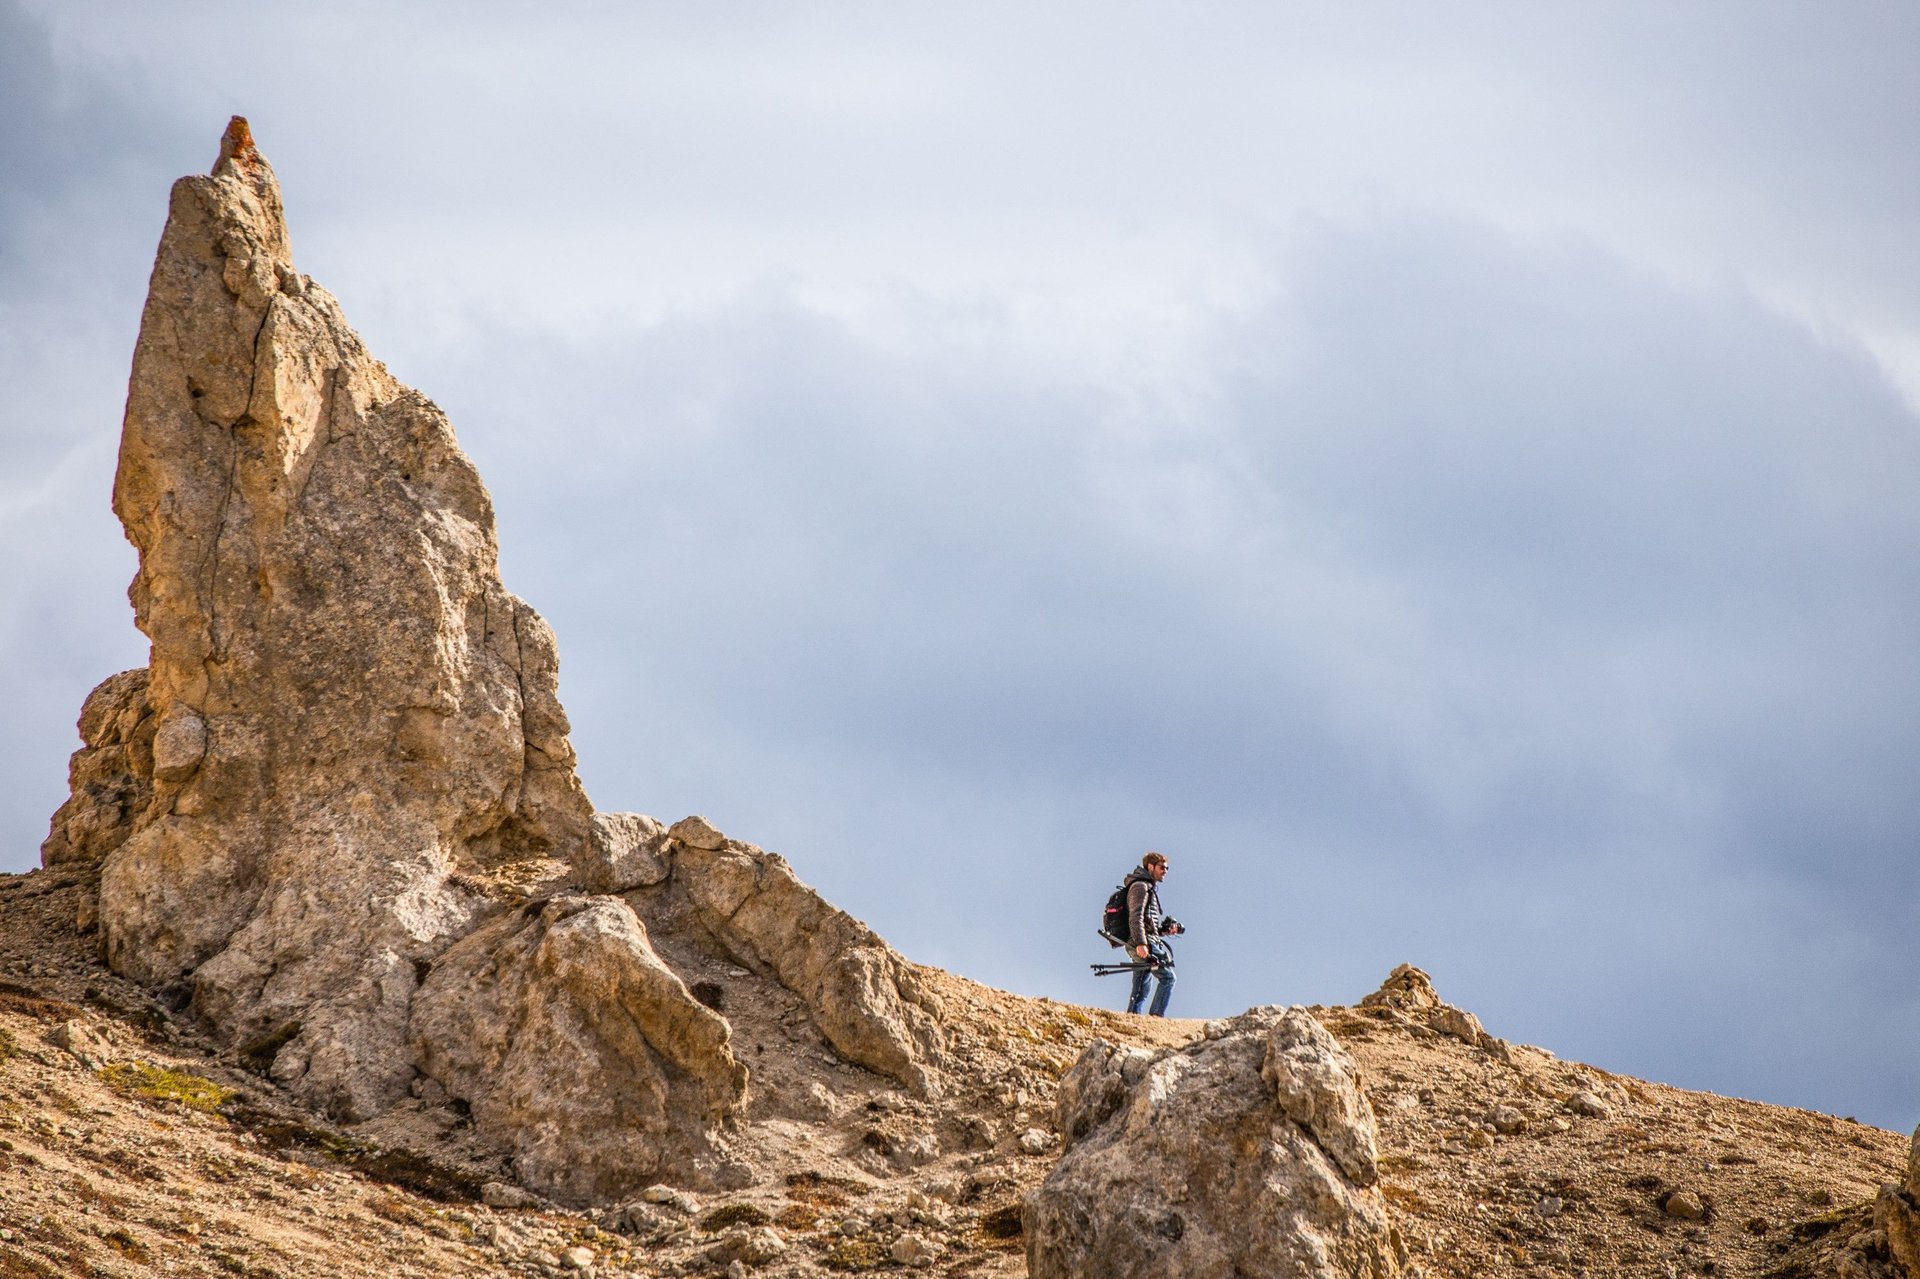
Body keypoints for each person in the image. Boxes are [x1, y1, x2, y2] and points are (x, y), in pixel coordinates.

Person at [1123, 851, 1181, 1017]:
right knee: (1168, 978)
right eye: (1162, 867)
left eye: (1167, 868)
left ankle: (1133, 1019)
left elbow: (1147, 922)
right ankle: (1155, 1018)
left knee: (1142, 984)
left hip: (1145, 940)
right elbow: (1135, 917)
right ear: (1150, 866)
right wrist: (1141, 943)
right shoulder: (1140, 886)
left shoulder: (1147, 887)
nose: (1165, 871)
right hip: (1144, 942)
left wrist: (1163, 931)